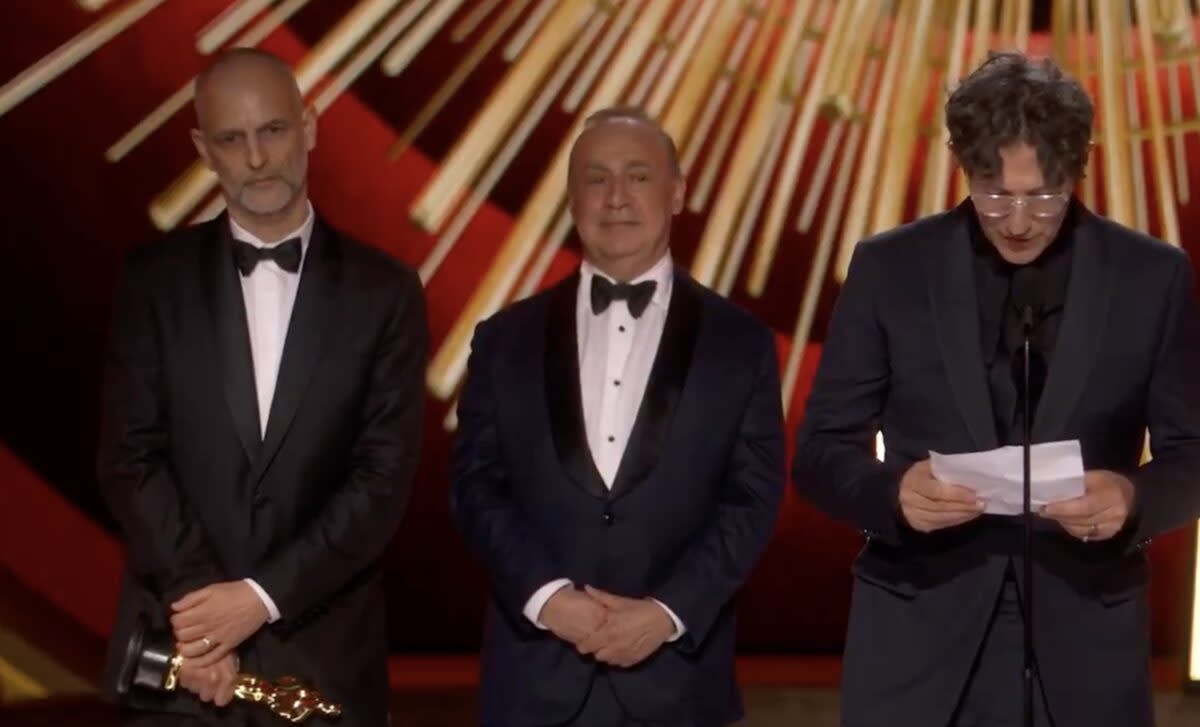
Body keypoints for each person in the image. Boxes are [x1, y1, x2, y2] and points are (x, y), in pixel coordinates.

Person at [794, 51, 1200, 727]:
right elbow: (820, 452)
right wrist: (892, 493)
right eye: (994, 191)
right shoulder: (889, 267)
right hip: (917, 638)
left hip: (1086, 646)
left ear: (1077, 169)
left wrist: (1132, 497)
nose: (1017, 219)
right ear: (963, 165)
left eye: (1042, 194)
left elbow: (1193, 455)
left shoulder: (1151, 277)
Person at [97, 48, 428, 725]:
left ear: (308, 126)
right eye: (231, 139)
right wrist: (204, 610)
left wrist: (259, 596)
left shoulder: (387, 292)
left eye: (273, 130)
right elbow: (128, 458)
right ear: (202, 148)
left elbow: (382, 479)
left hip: (324, 670)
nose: (255, 158)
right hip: (180, 659)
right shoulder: (151, 281)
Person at [450, 106, 785, 726]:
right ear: (571, 197)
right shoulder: (504, 339)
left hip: (679, 686)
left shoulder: (742, 343)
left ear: (677, 191)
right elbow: (475, 487)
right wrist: (549, 600)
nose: (617, 198)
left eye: (638, 175)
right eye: (596, 178)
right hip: (532, 685)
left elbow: (754, 498)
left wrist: (666, 613)